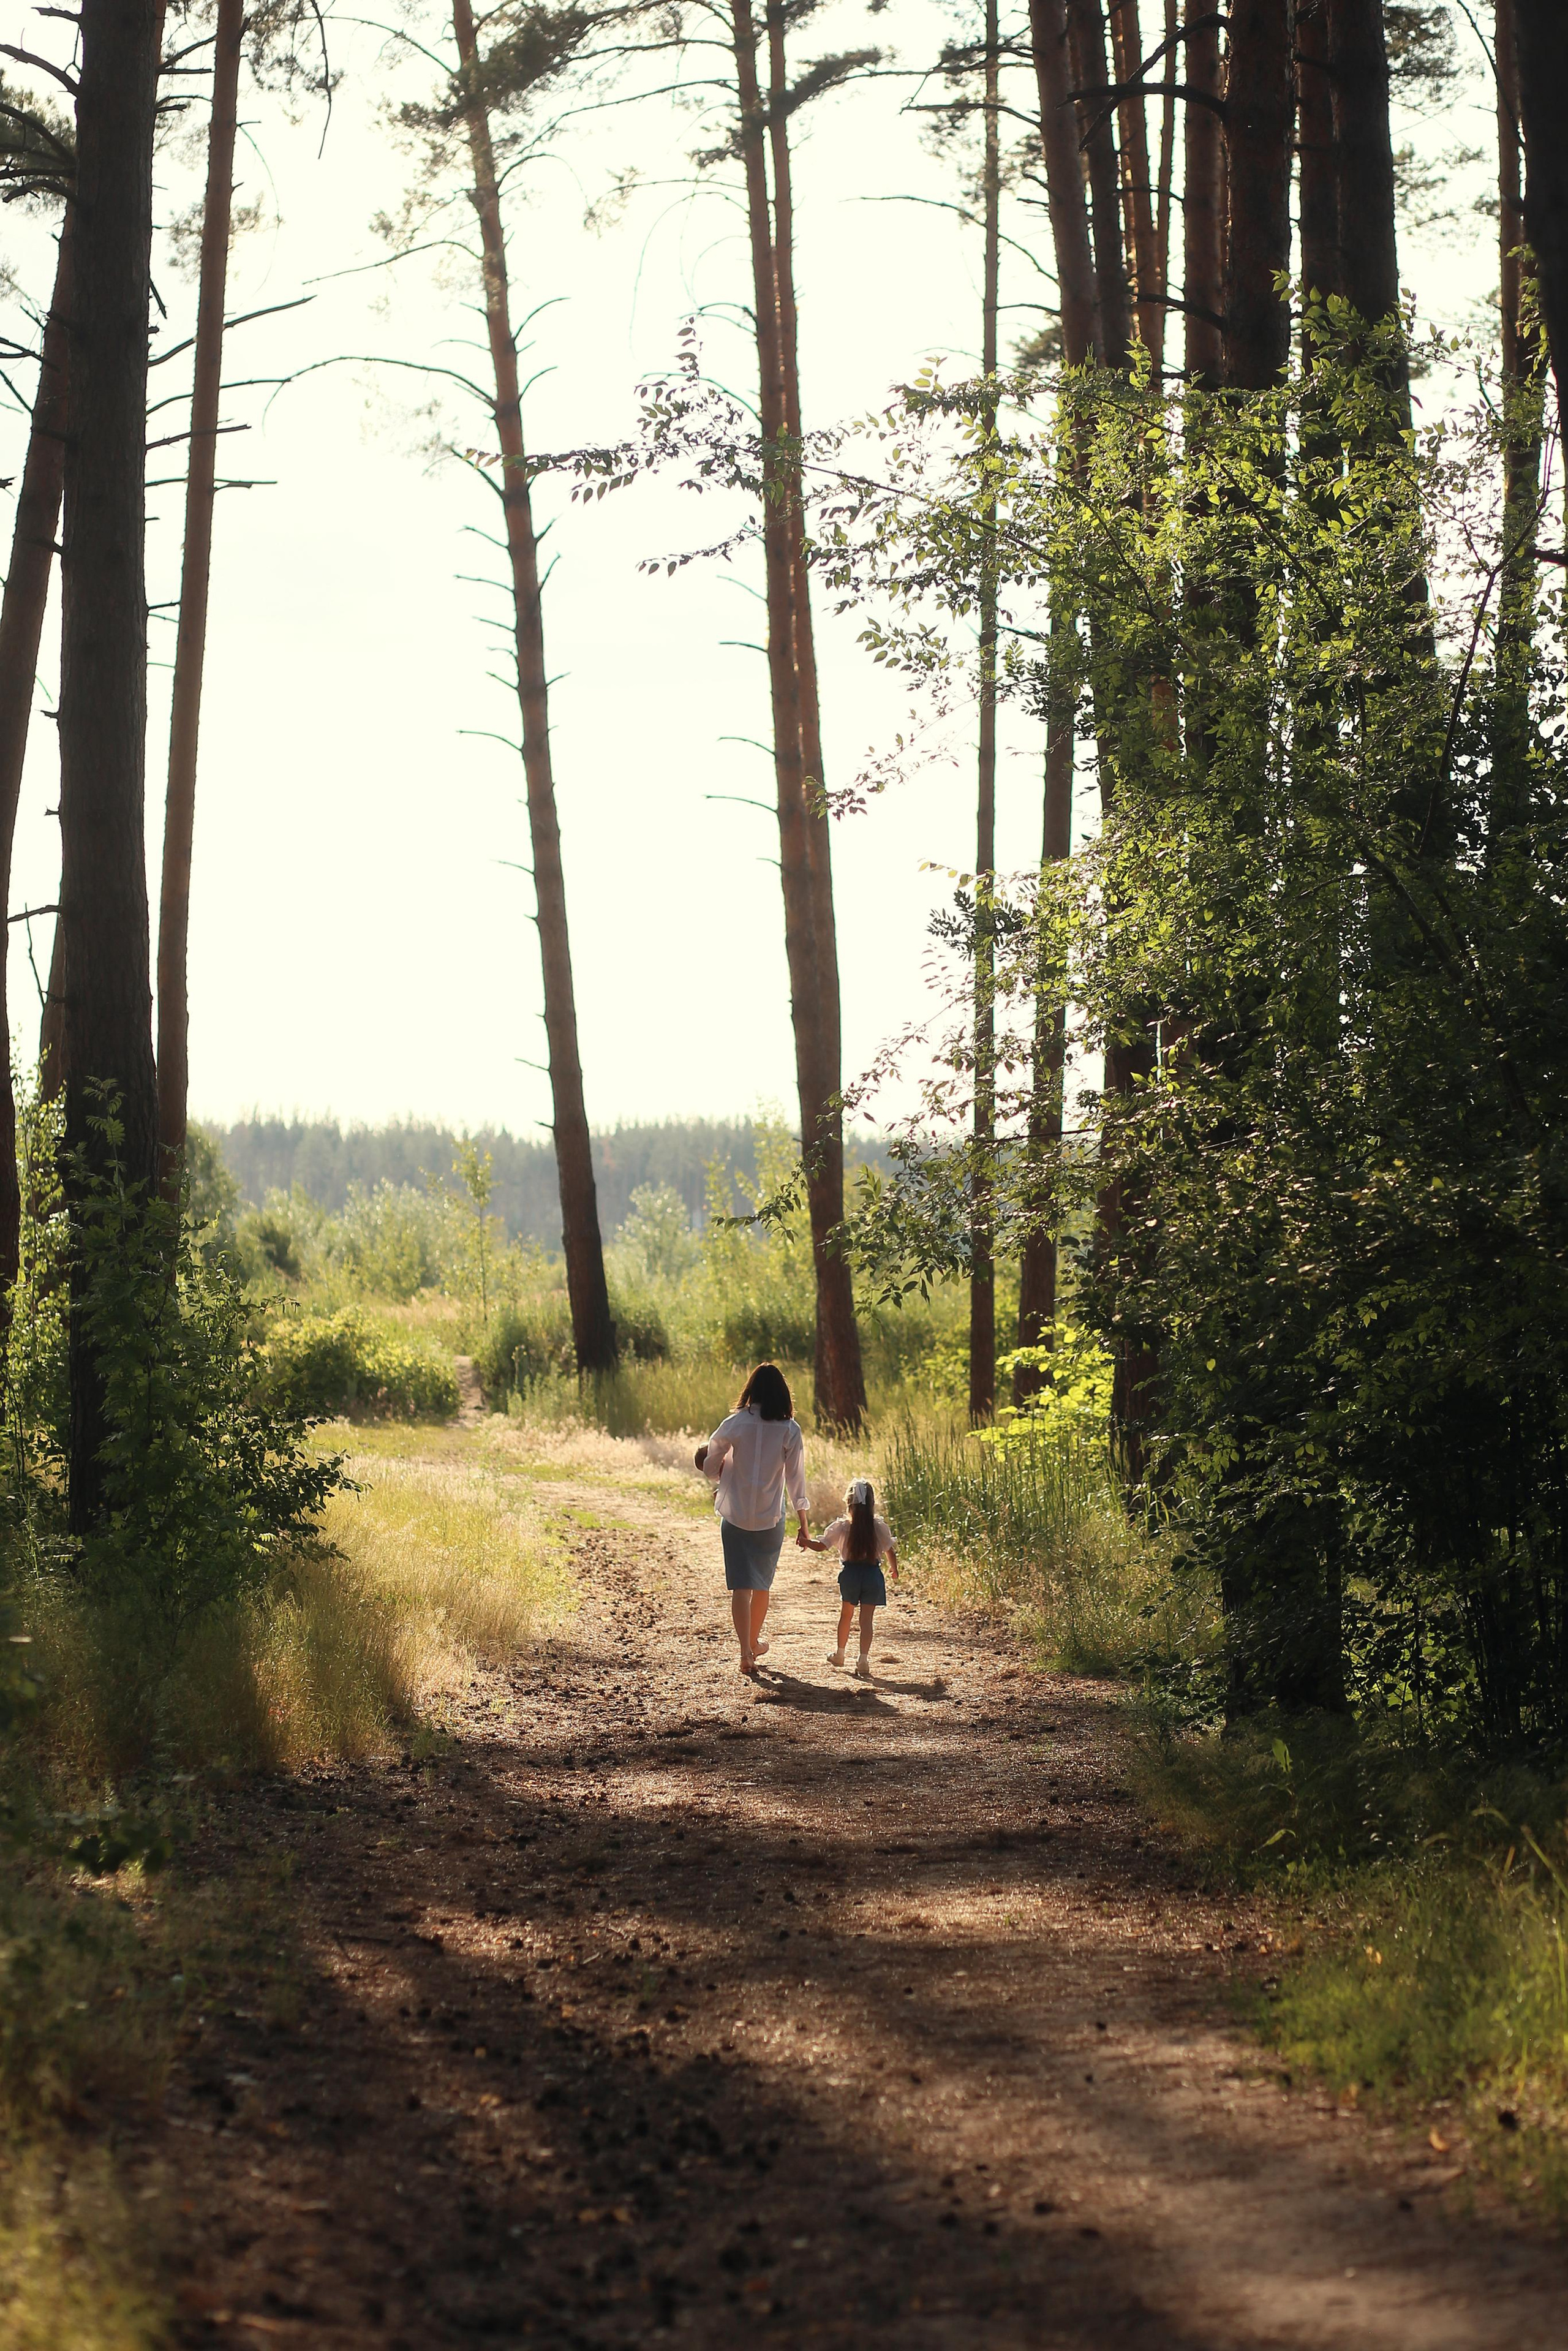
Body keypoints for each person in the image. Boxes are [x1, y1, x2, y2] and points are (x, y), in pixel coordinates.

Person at [699, 1363, 809, 1677]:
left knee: (741, 1587)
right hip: (769, 1518)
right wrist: (803, 1524)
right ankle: (753, 1642)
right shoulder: (790, 1430)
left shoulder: (733, 1424)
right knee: (762, 1585)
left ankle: (746, 1652)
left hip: (735, 1516)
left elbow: (709, 1467)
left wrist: (720, 1465)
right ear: (782, 1394)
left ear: (751, 1390)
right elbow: (796, 1482)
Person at [800, 1478, 899, 1680]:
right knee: (866, 1621)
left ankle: (840, 1654)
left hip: (851, 1575)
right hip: (873, 1575)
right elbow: (890, 1550)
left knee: (846, 1615)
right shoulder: (878, 1527)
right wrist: (894, 1569)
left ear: (849, 1504)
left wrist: (806, 1542)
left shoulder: (842, 1527)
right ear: (871, 1504)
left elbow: (822, 1546)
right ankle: (863, 1660)